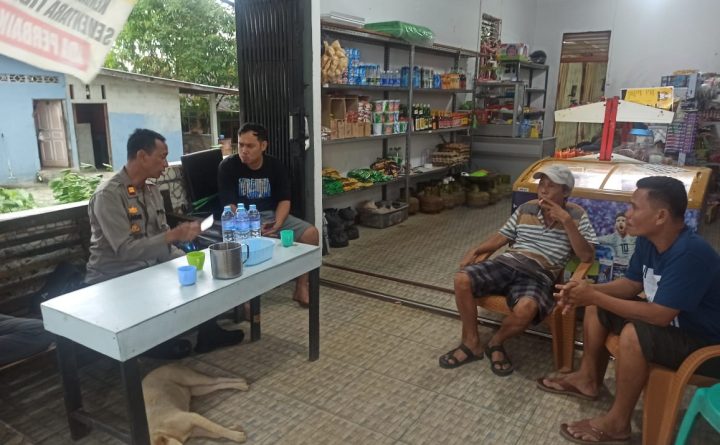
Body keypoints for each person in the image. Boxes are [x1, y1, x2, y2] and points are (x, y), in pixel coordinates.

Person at [537, 176, 720, 443]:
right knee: (595, 305)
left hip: (706, 343)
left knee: (634, 335)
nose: (628, 214)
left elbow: (660, 315)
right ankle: (588, 379)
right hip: (674, 322)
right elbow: (631, 284)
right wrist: (587, 292)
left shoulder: (690, 254)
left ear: (660, 216)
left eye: (634, 207)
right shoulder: (648, 240)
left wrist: (594, 295)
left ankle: (617, 423)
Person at [85, 128, 244, 357]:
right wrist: (173, 236)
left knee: (201, 270)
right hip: (115, 276)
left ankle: (208, 333)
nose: (166, 164)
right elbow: (126, 251)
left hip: (150, 266)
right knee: (176, 280)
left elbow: (163, 238)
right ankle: (151, 345)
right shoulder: (109, 196)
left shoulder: (151, 191)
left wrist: (188, 259)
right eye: (162, 157)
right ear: (142, 156)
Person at [439, 164, 596, 376]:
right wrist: (475, 250)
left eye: (551, 186)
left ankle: (496, 342)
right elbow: (502, 236)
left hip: (539, 275)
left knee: (526, 308)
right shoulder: (527, 208)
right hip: (508, 263)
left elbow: (587, 256)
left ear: (566, 191)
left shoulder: (576, 215)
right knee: (462, 279)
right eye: (541, 184)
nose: (543, 190)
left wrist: (567, 222)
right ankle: (471, 343)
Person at [218, 123, 319, 307]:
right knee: (244, 244)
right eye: (240, 145)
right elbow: (229, 205)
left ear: (263, 146)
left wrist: (277, 224)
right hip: (242, 220)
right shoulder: (228, 166)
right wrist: (250, 226)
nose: (244, 151)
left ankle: (301, 286)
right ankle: (245, 300)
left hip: (271, 216)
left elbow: (284, 200)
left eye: (250, 146)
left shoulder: (275, 166)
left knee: (311, 234)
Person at [597, 212, 636, 278]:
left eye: (623, 220)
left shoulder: (634, 236)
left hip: (634, 269)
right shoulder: (612, 237)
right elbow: (596, 239)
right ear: (615, 225)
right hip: (619, 268)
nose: (620, 222)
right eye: (618, 221)